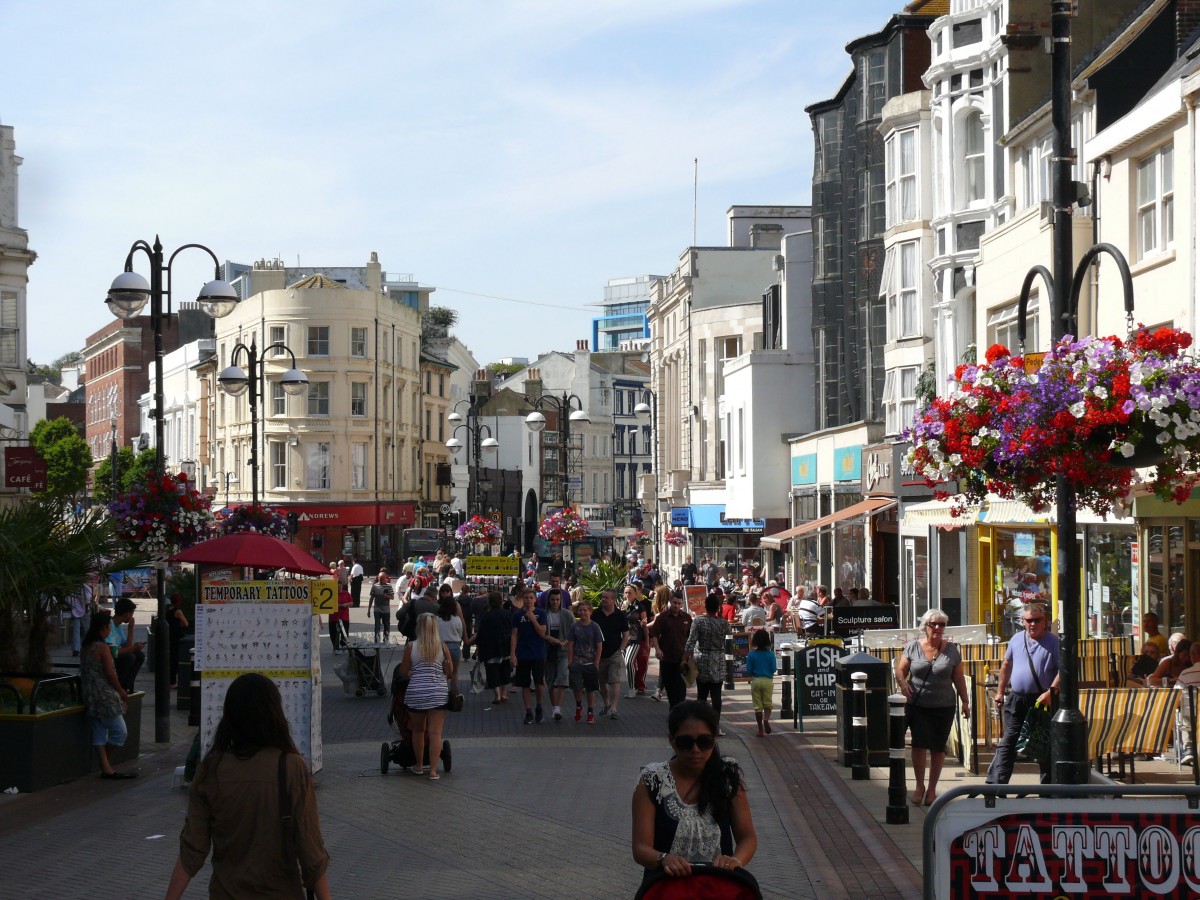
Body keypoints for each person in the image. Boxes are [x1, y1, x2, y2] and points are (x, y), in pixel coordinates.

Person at [165, 673, 330, 899]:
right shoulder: (291, 767)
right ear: (275, 714)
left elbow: (192, 849)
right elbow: (311, 853)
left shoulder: (211, 769)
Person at [631, 700, 757, 883]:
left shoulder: (727, 778)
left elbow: (747, 837)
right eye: (685, 742)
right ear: (671, 741)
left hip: (718, 888)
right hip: (666, 888)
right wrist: (663, 859)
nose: (695, 750)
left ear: (714, 740)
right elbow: (640, 848)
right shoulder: (652, 780)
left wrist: (735, 861)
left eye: (704, 742)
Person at [896, 608, 969, 805]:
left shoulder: (952, 650)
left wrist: (965, 702)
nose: (938, 628)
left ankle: (932, 789)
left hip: (943, 706)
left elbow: (959, 678)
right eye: (933, 624)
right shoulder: (913, 647)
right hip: (918, 704)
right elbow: (900, 670)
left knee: (938, 748)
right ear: (925, 627)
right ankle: (919, 786)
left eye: (942, 624)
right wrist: (903, 684)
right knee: (919, 745)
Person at [987, 603, 1059, 785]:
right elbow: (1006, 665)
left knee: (1044, 743)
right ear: (1023, 621)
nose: (1033, 624)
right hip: (1017, 698)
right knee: (1009, 740)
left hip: (1042, 699)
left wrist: (1051, 692)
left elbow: (1064, 671)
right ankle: (996, 784)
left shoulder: (1054, 643)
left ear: (1045, 621)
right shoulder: (1016, 639)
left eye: (1037, 620)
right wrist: (1000, 692)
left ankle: (1049, 788)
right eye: (1029, 621)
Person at [79, 611, 135, 779]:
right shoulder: (102, 647)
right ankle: (105, 763)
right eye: (109, 627)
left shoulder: (85, 646)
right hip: (104, 695)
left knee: (99, 731)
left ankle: (106, 767)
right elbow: (110, 674)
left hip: (89, 693)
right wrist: (121, 691)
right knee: (120, 731)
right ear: (104, 628)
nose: (110, 630)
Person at [399, 613, 452, 779]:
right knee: (435, 733)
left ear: (419, 628)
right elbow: (449, 671)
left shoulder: (411, 646)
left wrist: (415, 672)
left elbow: (402, 672)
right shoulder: (442, 647)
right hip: (438, 692)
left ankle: (419, 765)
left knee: (418, 731)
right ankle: (434, 771)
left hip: (417, 692)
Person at [685, 593, 731, 734]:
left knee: (702, 694)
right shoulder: (723, 622)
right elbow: (728, 633)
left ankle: (700, 725)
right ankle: (715, 726)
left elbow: (691, 641)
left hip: (702, 658)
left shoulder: (698, 621)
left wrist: (685, 657)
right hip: (718, 659)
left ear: (705, 606)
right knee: (716, 695)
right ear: (717, 607)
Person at [510, 586, 549, 724]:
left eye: (531, 598)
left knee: (539, 683)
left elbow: (542, 633)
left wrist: (532, 618)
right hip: (523, 653)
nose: (528, 600)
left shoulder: (541, 613)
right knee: (524, 684)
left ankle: (539, 705)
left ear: (535, 599)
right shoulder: (517, 615)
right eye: (526, 598)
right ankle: (528, 710)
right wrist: (512, 654)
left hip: (538, 653)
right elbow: (514, 635)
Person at [649, 592, 692, 709]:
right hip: (666, 659)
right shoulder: (662, 617)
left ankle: (678, 713)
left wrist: (689, 656)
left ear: (682, 604)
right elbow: (654, 634)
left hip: (682, 660)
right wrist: (657, 649)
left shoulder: (687, 618)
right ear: (670, 602)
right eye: (674, 603)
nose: (677, 606)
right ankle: (674, 711)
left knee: (681, 690)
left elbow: (691, 639)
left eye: (679, 604)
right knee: (670, 690)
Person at [593, 589, 631, 718]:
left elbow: (626, 634)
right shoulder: (596, 614)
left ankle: (614, 708)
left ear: (613, 600)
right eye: (602, 597)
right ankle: (606, 703)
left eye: (607, 598)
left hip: (615, 652)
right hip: (599, 654)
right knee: (601, 682)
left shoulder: (620, 615)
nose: (603, 599)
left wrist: (621, 649)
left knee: (615, 680)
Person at [568, 598, 604, 723]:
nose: (583, 613)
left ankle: (590, 711)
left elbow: (599, 645)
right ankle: (578, 706)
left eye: (585, 610)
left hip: (590, 662)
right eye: (580, 610)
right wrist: (570, 661)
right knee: (577, 687)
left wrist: (596, 662)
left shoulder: (595, 627)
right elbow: (571, 644)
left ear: (590, 612)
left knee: (590, 689)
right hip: (577, 662)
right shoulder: (574, 626)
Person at [543, 587, 576, 721]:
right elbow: (541, 632)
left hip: (563, 651)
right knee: (550, 680)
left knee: (562, 677)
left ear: (561, 600)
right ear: (548, 601)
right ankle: (554, 706)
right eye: (552, 600)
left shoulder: (567, 615)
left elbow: (574, 631)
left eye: (557, 600)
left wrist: (566, 642)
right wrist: (549, 639)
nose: (555, 602)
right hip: (548, 650)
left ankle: (558, 708)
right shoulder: (544, 614)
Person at [474, 592, 512, 705]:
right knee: (505, 670)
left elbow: (480, 632)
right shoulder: (507, 614)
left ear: (489, 602)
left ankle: (497, 696)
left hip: (490, 648)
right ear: (501, 601)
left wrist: (478, 646)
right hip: (505, 646)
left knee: (492, 672)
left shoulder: (486, 615)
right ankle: (505, 692)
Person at [107, 597, 145, 693]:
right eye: (132, 613)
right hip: (110, 658)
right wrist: (132, 648)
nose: (132, 616)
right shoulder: (109, 624)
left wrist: (131, 629)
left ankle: (125, 685)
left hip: (118, 655)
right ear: (127, 614)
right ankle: (120, 685)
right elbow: (112, 651)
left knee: (139, 655)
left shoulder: (118, 625)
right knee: (130, 657)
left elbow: (126, 645)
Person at [745, 630, 778, 737]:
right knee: (767, 704)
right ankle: (766, 719)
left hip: (756, 680)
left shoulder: (751, 654)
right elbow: (773, 669)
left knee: (757, 706)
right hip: (768, 680)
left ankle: (760, 729)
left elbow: (749, 671)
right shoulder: (771, 654)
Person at [436, 584, 466, 688]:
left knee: (442, 671)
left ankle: (443, 692)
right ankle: (454, 691)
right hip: (454, 646)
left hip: (440, 646)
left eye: (447, 591)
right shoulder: (456, 619)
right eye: (443, 591)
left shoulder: (437, 619)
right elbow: (460, 630)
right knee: (454, 672)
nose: (445, 593)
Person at [66, 577, 94, 657]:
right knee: (87, 629)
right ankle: (87, 647)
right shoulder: (87, 588)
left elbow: (68, 599)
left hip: (74, 611)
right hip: (84, 611)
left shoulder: (71, 588)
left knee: (76, 630)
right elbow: (88, 600)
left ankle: (76, 649)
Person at [167, 592, 190, 687]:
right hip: (177, 637)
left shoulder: (168, 609)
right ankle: (173, 682)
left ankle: (171, 681)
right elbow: (186, 623)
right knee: (176, 660)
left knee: (172, 660)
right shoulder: (178, 611)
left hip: (170, 636)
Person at [369, 568, 394, 644]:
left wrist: (387, 596)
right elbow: (371, 598)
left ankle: (386, 639)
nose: (381, 580)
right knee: (377, 625)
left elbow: (392, 597)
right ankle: (377, 640)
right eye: (380, 578)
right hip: (377, 609)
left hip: (386, 609)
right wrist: (368, 609)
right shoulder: (375, 586)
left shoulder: (389, 586)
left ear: (385, 579)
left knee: (386, 624)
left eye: (383, 579)